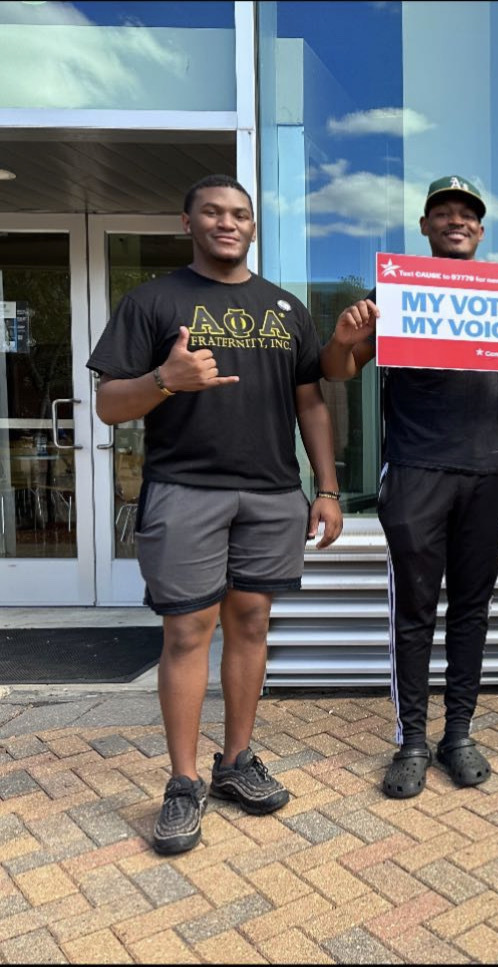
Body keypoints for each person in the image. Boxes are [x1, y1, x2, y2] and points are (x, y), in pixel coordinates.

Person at [88, 174, 344, 855]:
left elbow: (311, 403)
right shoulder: (152, 302)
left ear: (253, 226)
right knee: (186, 633)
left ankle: (235, 761)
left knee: (252, 621)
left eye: (240, 214)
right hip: (185, 488)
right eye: (212, 212)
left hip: (269, 491)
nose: (227, 222)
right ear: (187, 221)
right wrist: (163, 380)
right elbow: (110, 404)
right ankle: (181, 782)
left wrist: (327, 485)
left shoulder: (287, 308)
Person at [321, 175, 498, 798]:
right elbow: (339, 370)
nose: (456, 221)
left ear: (481, 232)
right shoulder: (399, 291)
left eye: (467, 214)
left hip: (486, 472)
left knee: (471, 611)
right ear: (427, 228)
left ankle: (457, 733)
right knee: (415, 611)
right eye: (443, 213)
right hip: (415, 470)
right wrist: (344, 340)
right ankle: (410, 740)